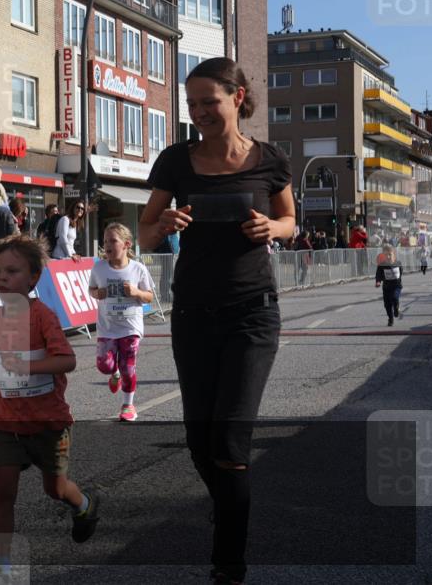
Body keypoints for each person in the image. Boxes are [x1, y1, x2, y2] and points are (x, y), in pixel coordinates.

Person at [139, 57, 295, 585]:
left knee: (228, 445)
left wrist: (272, 226)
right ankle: (227, 504)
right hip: (193, 315)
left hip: (253, 314)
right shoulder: (175, 161)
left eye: (210, 101)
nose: (201, 112)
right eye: (192, 104)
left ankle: (228, 565)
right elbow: (144, 235)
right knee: (199, 442)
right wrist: (165, 222)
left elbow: (292, 221)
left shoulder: (270, 159)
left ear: (238, 97)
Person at [0, 235, 100, 578]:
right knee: (2, 492)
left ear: (33, 277)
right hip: (7, 420)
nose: (1, 278)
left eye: (11, 270)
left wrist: (30, 367)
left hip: (48, 421)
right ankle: (2, 565)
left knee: (55, 489)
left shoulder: (42, 317)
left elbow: (66, 360)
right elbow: (2, 353)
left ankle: (83, 505)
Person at [88, 223, 155, 422]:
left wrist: (136, 293)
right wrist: (96, 293)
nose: (107, 245)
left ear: (126, 244)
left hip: (130, 328)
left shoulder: (138, 269)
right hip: (107, 328)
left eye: (113, 241)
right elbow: (91, 289)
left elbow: (150, 297)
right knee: (104, 365)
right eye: (105, 241)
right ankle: (113, 373)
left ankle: (128, 405)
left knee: (129, 367)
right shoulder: (99, 268)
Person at [375, 244, 403, 327]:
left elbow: (401, 272)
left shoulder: (398, 263)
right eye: (386, 255)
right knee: (387, 305)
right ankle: (390, 319)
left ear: (393, 254)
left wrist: (398, 280)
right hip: (386, 287)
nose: (388, 256)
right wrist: (378, 281)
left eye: (389, 254)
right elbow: (378, 274)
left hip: (396, 286)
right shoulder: (381, 265)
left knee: (394, 298)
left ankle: (396, 309)